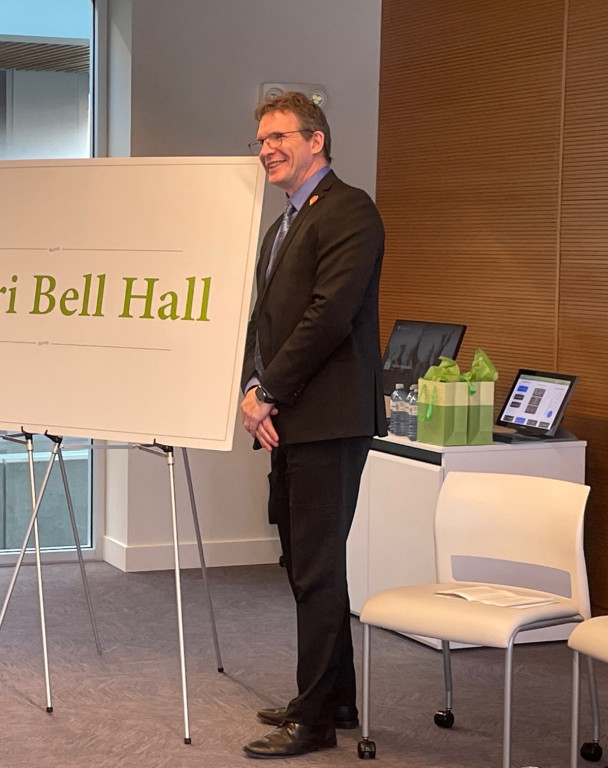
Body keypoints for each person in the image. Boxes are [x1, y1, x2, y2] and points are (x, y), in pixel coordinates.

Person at [239, 92, 386, 758]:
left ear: (316, 140)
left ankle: (316, 722)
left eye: (279, 137)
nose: (267, 148)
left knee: (318, 569)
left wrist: (269, 389)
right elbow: (263, 325)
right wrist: (251, 386)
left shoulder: (350, 210)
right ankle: (336, 698)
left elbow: (328, 315)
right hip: (289, 418)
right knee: (302, 562)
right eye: (260, 140)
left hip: (328, 421)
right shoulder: (283, 225)